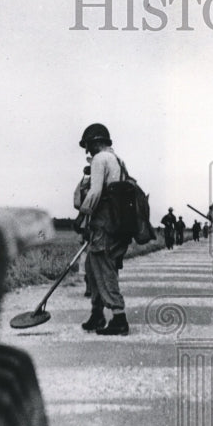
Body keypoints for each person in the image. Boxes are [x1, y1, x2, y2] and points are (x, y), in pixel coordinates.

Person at [77, 123, 130, 335]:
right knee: (93, 266)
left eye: (88, 145)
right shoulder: (118, 160)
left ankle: (119, 318)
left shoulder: (100, 159)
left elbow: (95, 192)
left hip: (104, 224)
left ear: (96, 142)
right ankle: (97, 314)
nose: (87, 150)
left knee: (104, 268)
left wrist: (82, 215)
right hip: (117, 224)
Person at [73, 158, 95, 297]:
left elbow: (76, 203)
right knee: (87, 253)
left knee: (87, 253)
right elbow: (77, 203)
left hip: (89, 222)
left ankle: (91, 287)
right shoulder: (83, 184)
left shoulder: (83, 184)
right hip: (88, 223)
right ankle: (89, 286)